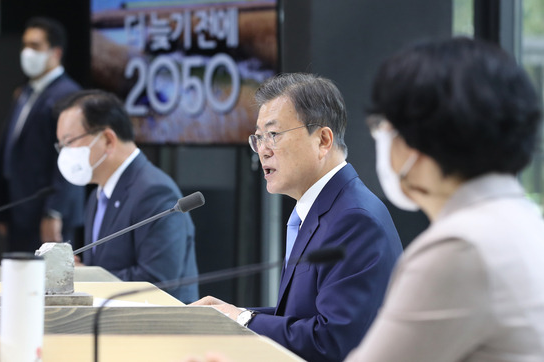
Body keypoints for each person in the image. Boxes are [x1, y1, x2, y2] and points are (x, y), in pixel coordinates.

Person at [345, 37, 544, 361]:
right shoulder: (523, 221)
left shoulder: (460, 247)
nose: (381, 142)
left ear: (417, 141)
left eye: (384, 128)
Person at [191, 73, 403, 362]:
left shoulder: (354, 220)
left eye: (274, 135)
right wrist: (235, 316)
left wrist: (244, 320)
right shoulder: (323, 208)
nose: (263, 150)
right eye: (259, 137)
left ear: (323, 140)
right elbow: (301, 317)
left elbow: (333, 341)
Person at [55, 89, 199, 303]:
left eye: (69, 142)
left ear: (107, 140)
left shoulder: (155, 192)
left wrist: (86, 276)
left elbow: (156, 282)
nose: (63, 153)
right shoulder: (96, 196)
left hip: (158, 330)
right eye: (60, 145)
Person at [0, 16, 84, 252]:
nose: (27, 52)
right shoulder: (25, 91)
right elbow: (11, 150)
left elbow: (71, 158)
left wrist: (55, 211)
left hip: (46, 215)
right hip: (19, 210)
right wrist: (3, 206)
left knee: (46, 286)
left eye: (35, 46)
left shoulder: (69, 95)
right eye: (25, 45)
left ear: (55, 52)